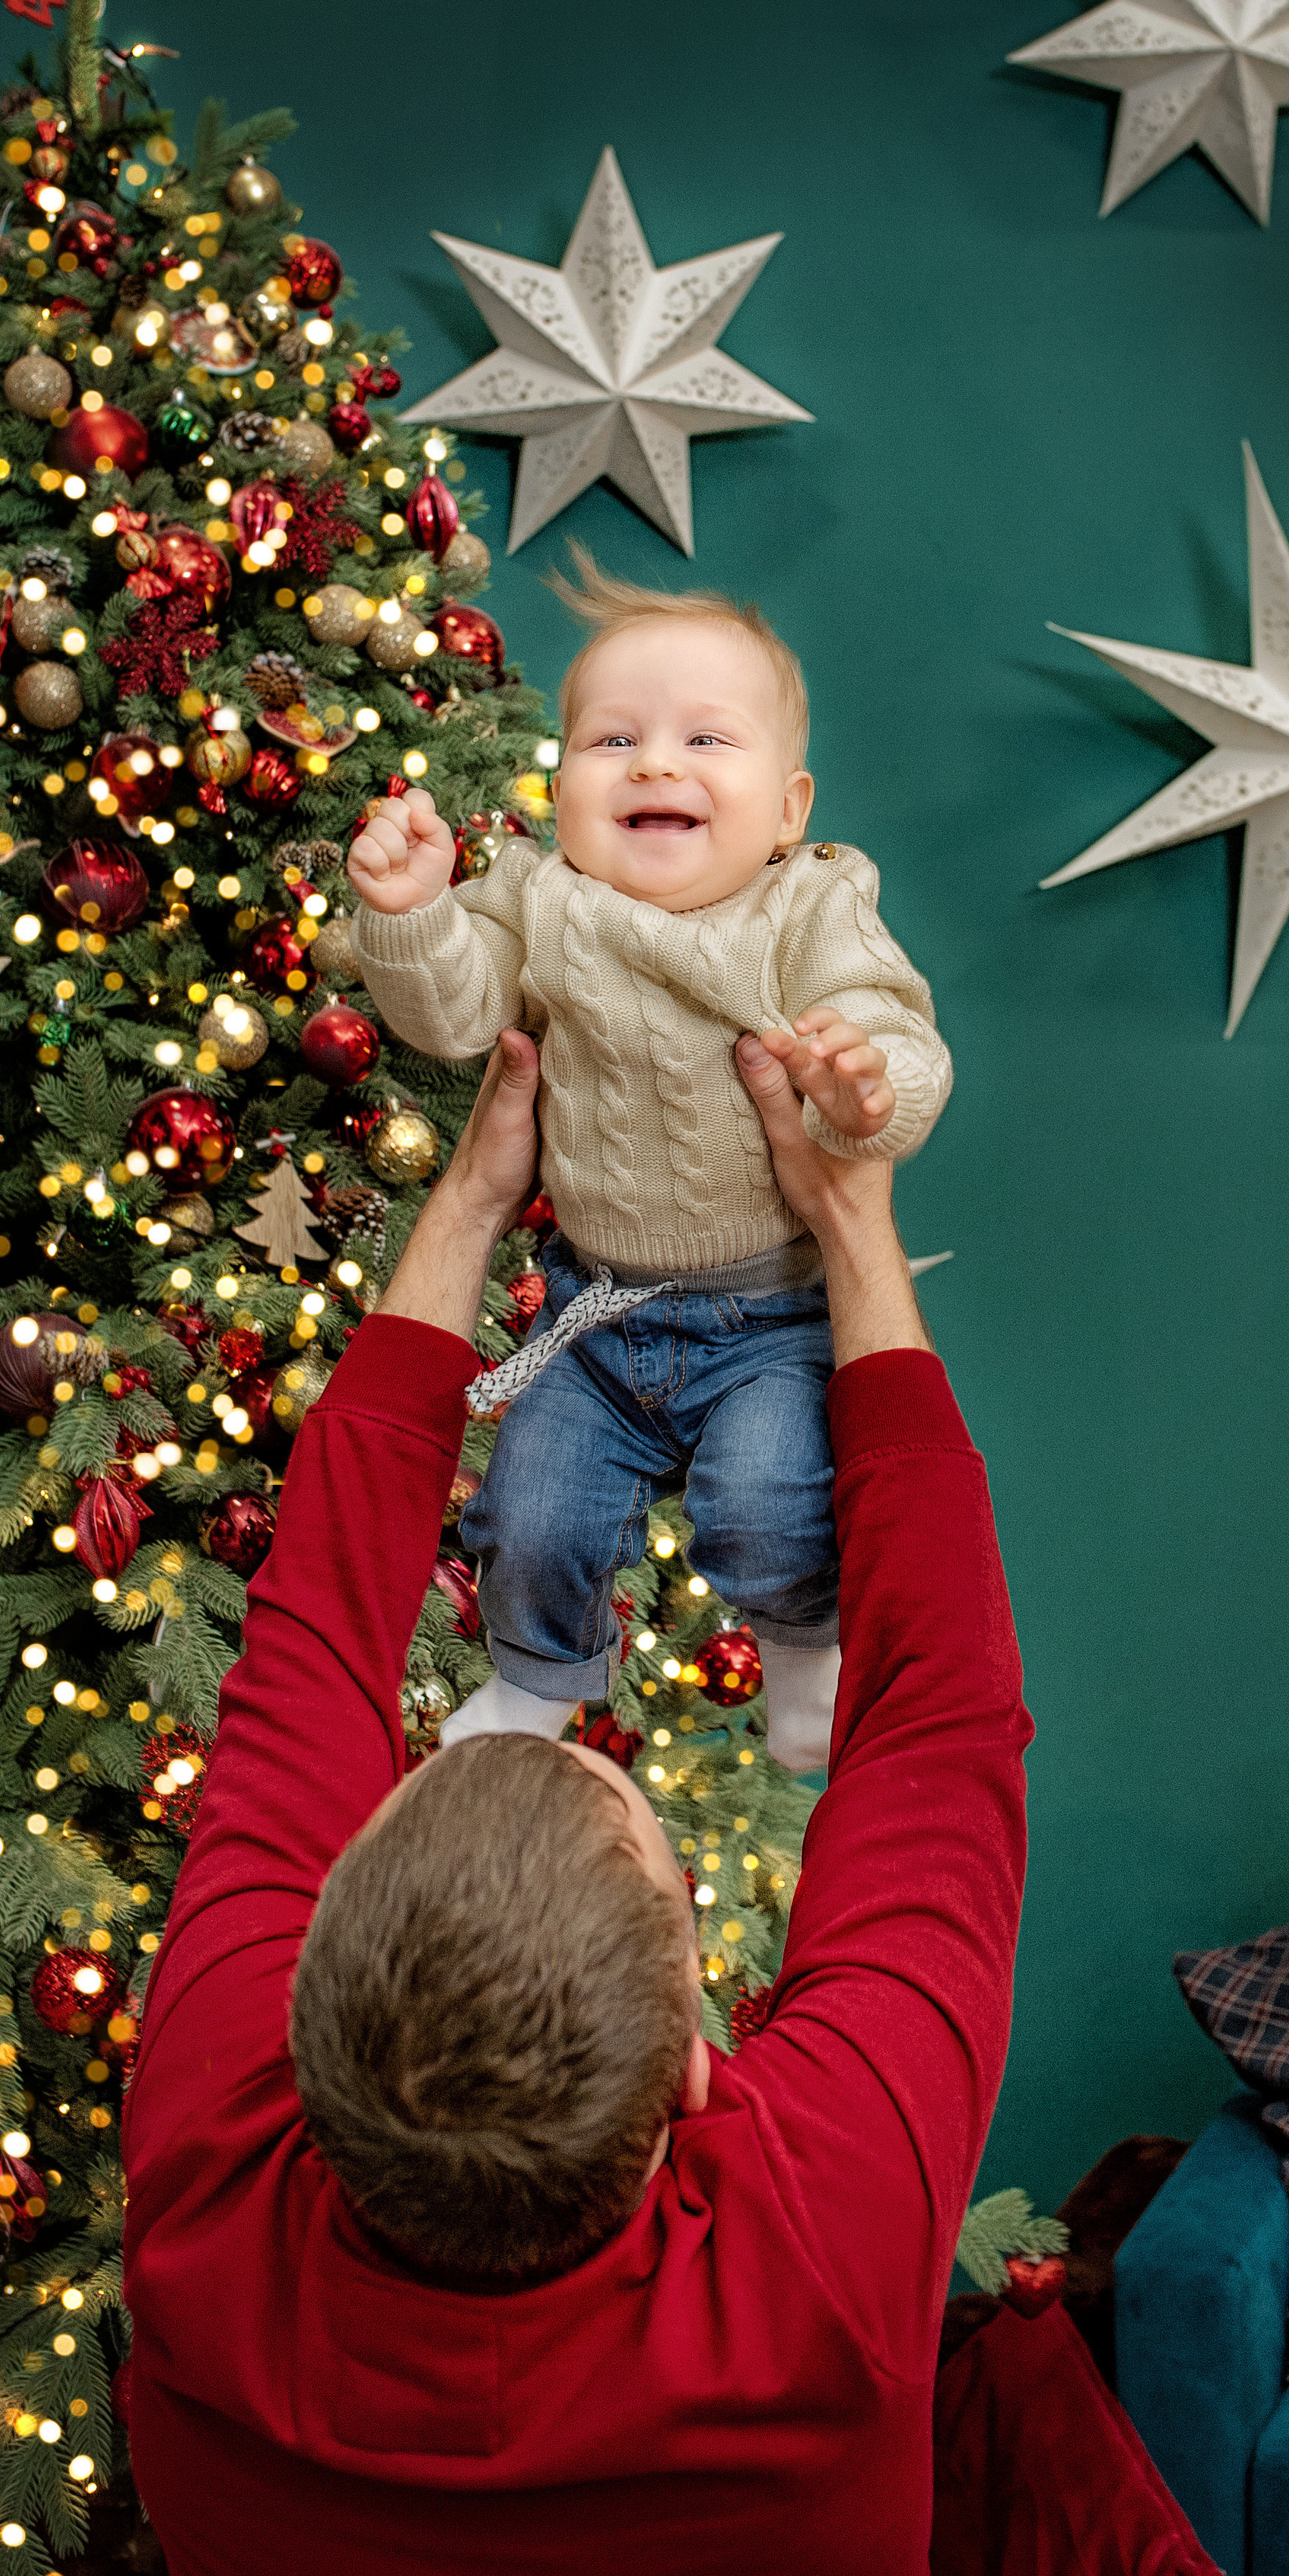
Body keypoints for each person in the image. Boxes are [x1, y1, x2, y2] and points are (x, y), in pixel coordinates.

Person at [122, 1023, 1027, 2576]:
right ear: (694, 2063)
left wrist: (472, 1199)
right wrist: (857, 1234)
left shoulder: (210, 2199)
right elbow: (938, 1732)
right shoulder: (821, 2242)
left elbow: (303, 1673)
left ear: (293, 2017)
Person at [348, 550, 951, 1772]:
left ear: (790, 812)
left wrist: (865, 1080)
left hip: (774, 1309)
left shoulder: (810, 910)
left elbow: (891, 1023)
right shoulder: (545, 899)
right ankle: (538, 1681)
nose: (656, 764)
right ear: (560, 790)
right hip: (595, 1308)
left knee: (774, 1503)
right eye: (613, 741)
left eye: (705, 741)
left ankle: (800, 1648)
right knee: (529, 1515)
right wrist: (414, 914)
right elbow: (460, 1012)